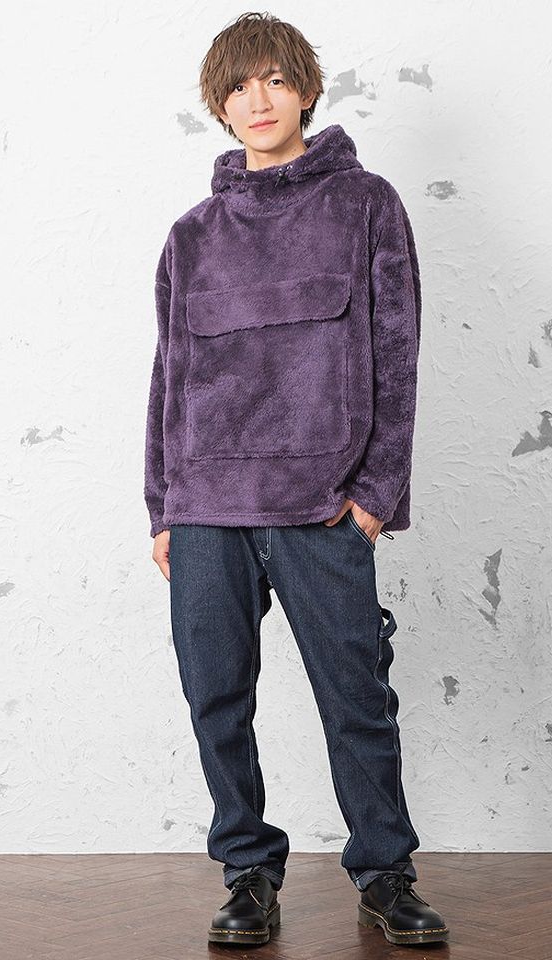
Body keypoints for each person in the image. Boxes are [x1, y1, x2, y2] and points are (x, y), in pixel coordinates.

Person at [143, 11, 449, 949]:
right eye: (239, 86)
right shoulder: (192, 236)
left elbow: (397, 357)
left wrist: (374, 499)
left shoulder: (366, 206)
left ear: (306, 90)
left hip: (322, 507)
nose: (258, 100)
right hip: (207, 508)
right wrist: (163, 507)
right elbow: (169, 378)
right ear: (219, 105)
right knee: (216, 700)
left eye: (275, 80)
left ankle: (385, 872)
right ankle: (247, 871)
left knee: (357, 700)